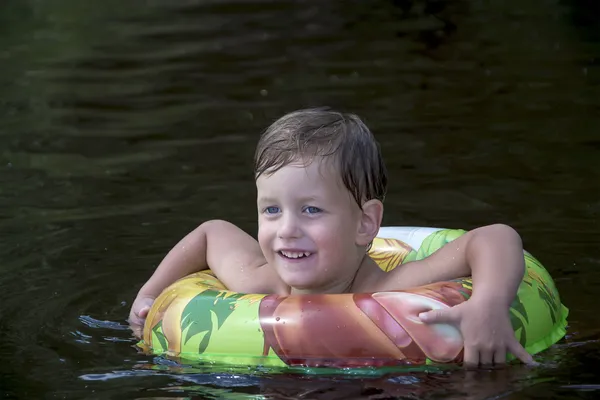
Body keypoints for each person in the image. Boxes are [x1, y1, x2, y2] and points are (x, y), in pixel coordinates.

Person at [129, 108, 534, 367]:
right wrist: (149, 296)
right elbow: (211, 233)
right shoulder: (260, 282)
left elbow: (496, 237)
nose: (287, 228)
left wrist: (487, 305)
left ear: (365, 223)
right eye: (272, 209)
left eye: (311, 210)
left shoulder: (397, 288)